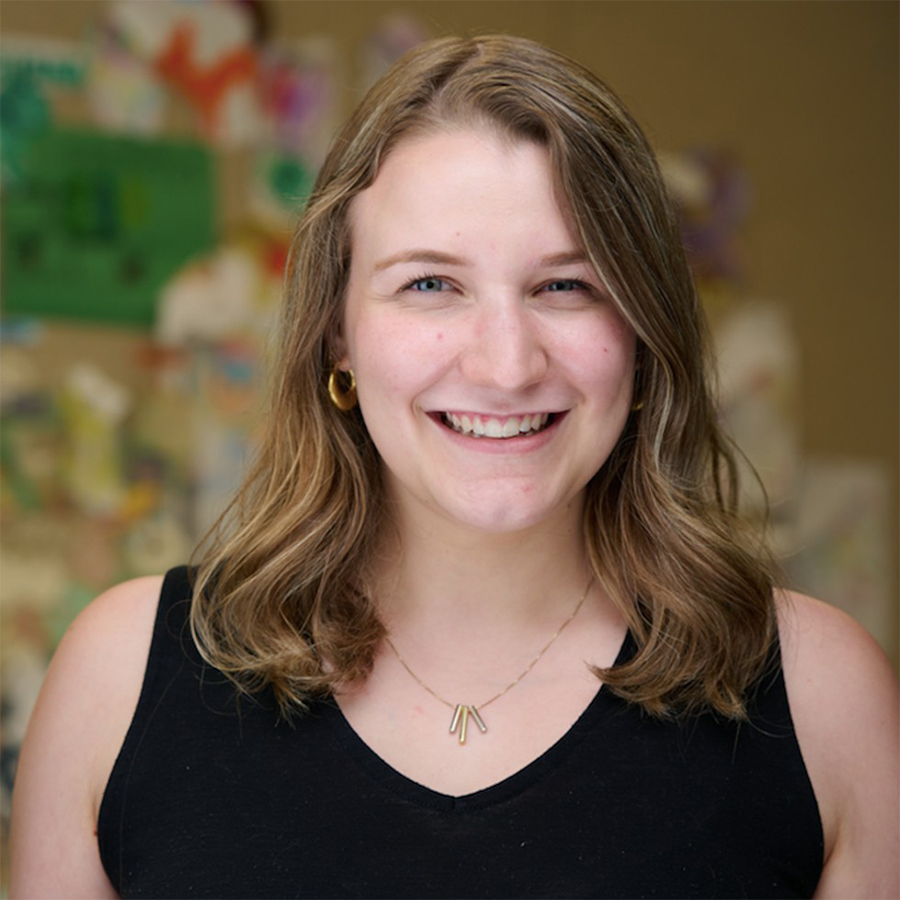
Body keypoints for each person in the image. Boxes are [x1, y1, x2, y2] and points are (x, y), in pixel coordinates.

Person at [9, 34, 898, 900]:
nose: (506, 364)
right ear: (337, 334)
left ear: (641, 332)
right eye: (430, 284)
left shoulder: (824, 700)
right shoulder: (122, 678)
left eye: (567, 285)